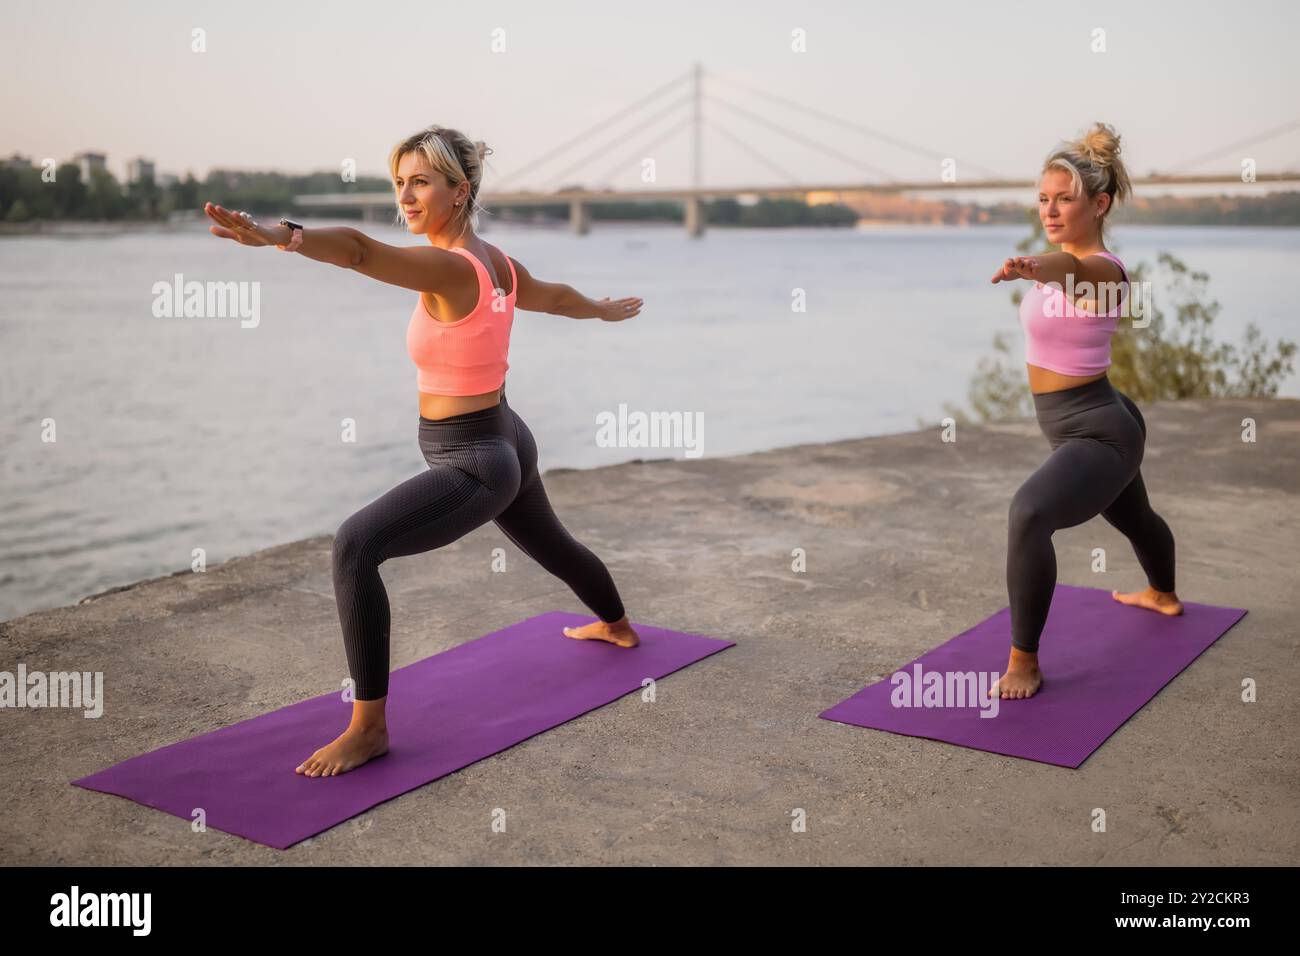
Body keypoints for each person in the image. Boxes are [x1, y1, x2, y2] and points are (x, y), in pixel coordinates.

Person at [203, 125, 645, 775]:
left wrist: (281, 235)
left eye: (420, 183)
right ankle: (616, 624)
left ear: (459, 190)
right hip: (507, 436)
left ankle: (369, 729)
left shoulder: (449, 266)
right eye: (400, 183)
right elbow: (553, 297)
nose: (405, 197)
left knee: (355, 546)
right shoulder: (497, 263)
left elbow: (356, 251)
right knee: (552, 543)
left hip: (474, 457)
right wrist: (602, 311)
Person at [988, 122, 1182, 701]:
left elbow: (1073, 274)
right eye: (1043, 199)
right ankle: (1163, 595)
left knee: (1027, 514)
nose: (1049, 210)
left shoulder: (1105, 271)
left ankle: (1025, 661)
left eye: (1064, 199)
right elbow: (1060, 273)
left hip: (1099, 432)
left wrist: (1034, 266)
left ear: (1099, 204)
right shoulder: (1063, 262)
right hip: (1101, 412)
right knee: (1135, 518)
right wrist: (1040, 267)